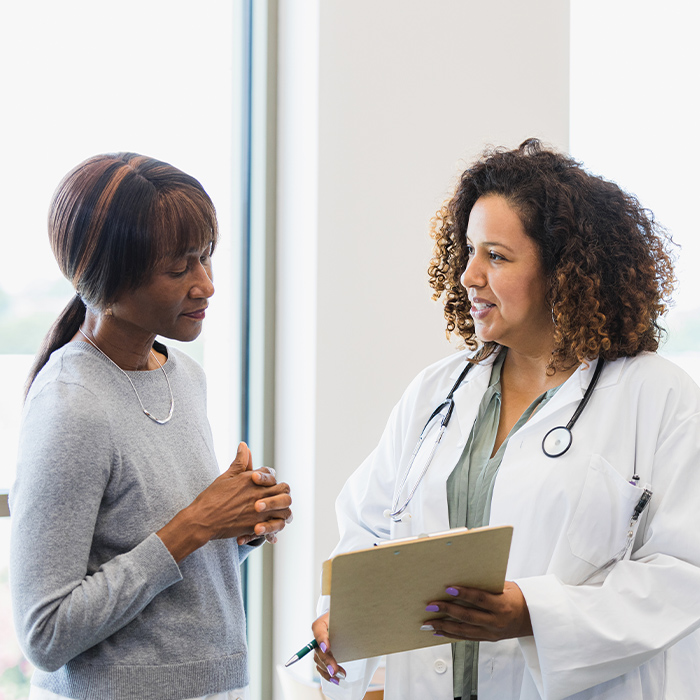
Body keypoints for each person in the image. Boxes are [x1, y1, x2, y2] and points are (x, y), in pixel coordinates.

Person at [311, 139, 700, 700]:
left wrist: (532, 615)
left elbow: (682, 573)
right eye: (468, 250)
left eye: (496, 255)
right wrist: (346, 621)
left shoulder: (657, 397)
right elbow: (369, 529)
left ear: (563, 270)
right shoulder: (438, 391)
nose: (469, 274)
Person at [10, 153, 293, 700]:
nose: (206, 284)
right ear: (110, 280)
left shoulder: (184, 377)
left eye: (206, 259)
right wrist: (194, 525)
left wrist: (237, 527)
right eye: (179, 268)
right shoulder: (71, 404)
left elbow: (164, 568)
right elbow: (45, 633)